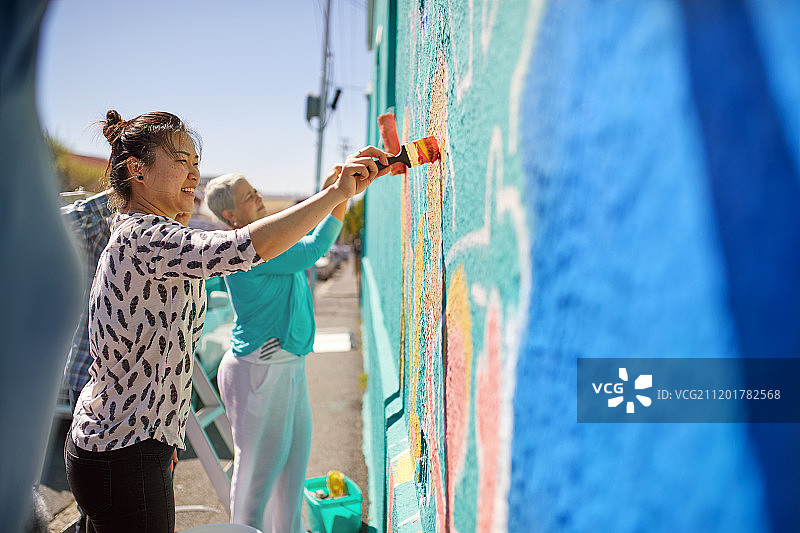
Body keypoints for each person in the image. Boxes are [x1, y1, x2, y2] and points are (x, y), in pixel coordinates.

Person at [64, 109, 389, 532]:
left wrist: (168, 436)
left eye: (195, 163)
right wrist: (335, 194)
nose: (194, 174)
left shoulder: (150, 234)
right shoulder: (143, 238)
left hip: (130, 446)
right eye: (180, 160)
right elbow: (243, 247)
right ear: (137, 170)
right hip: (124, 454)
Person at [205, 166, 346, 532]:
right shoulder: (246, 247)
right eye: (247, 196)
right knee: (258, 475)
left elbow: (308, 239)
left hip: (287, 365)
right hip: (261, 368)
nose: (258, 196)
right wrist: (341, 193)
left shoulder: (269, 238)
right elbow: (313, 249)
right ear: (230, 215)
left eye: (255, 189)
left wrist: (335, 193)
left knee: (292, 472)